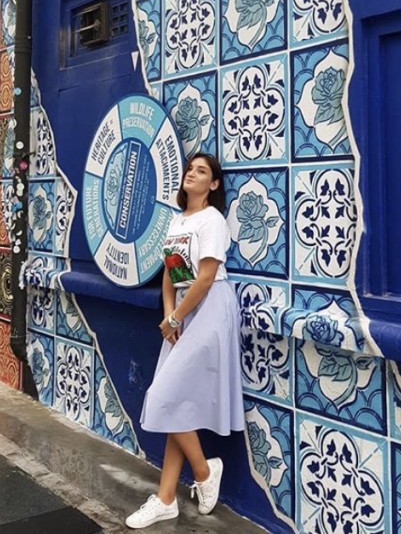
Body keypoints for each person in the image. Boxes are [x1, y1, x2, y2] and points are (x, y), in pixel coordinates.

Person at [125, 153, 245, 529]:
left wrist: (177, 316)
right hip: (181, 310)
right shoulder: (177, 221)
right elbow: (170, 273)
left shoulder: (212, 220)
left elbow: (206, 277)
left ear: (213, 184)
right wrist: (169, 315)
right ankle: (166, 499)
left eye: (201, 171)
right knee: (175, 404)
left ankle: (204, 472)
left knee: (163, 397)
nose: (192, 173)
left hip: (209, 309)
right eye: (190, 169)